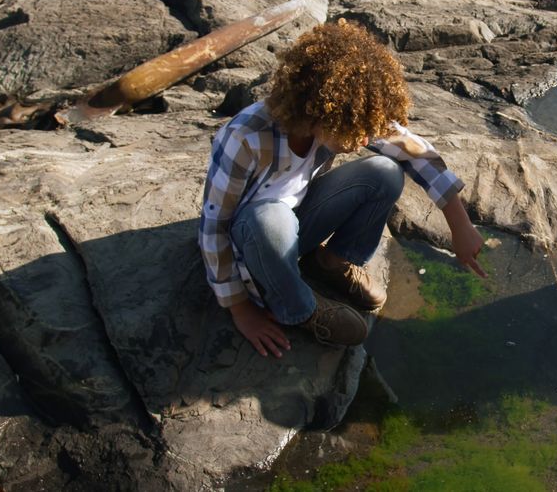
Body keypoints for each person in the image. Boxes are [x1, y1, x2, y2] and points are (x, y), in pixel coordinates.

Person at [199, 19, 486, 356]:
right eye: (355, 132)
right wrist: (239, 309)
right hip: (252, 244)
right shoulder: (245, 138)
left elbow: (413, 150)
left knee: (384, 171)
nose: (363, 140)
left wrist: (459, 223)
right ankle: (299, 308)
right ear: (317, 111)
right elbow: (214, 228)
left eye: (367, 131)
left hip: (295, 227)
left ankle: (332, 262)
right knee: (268, 219)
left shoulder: (343, 116)